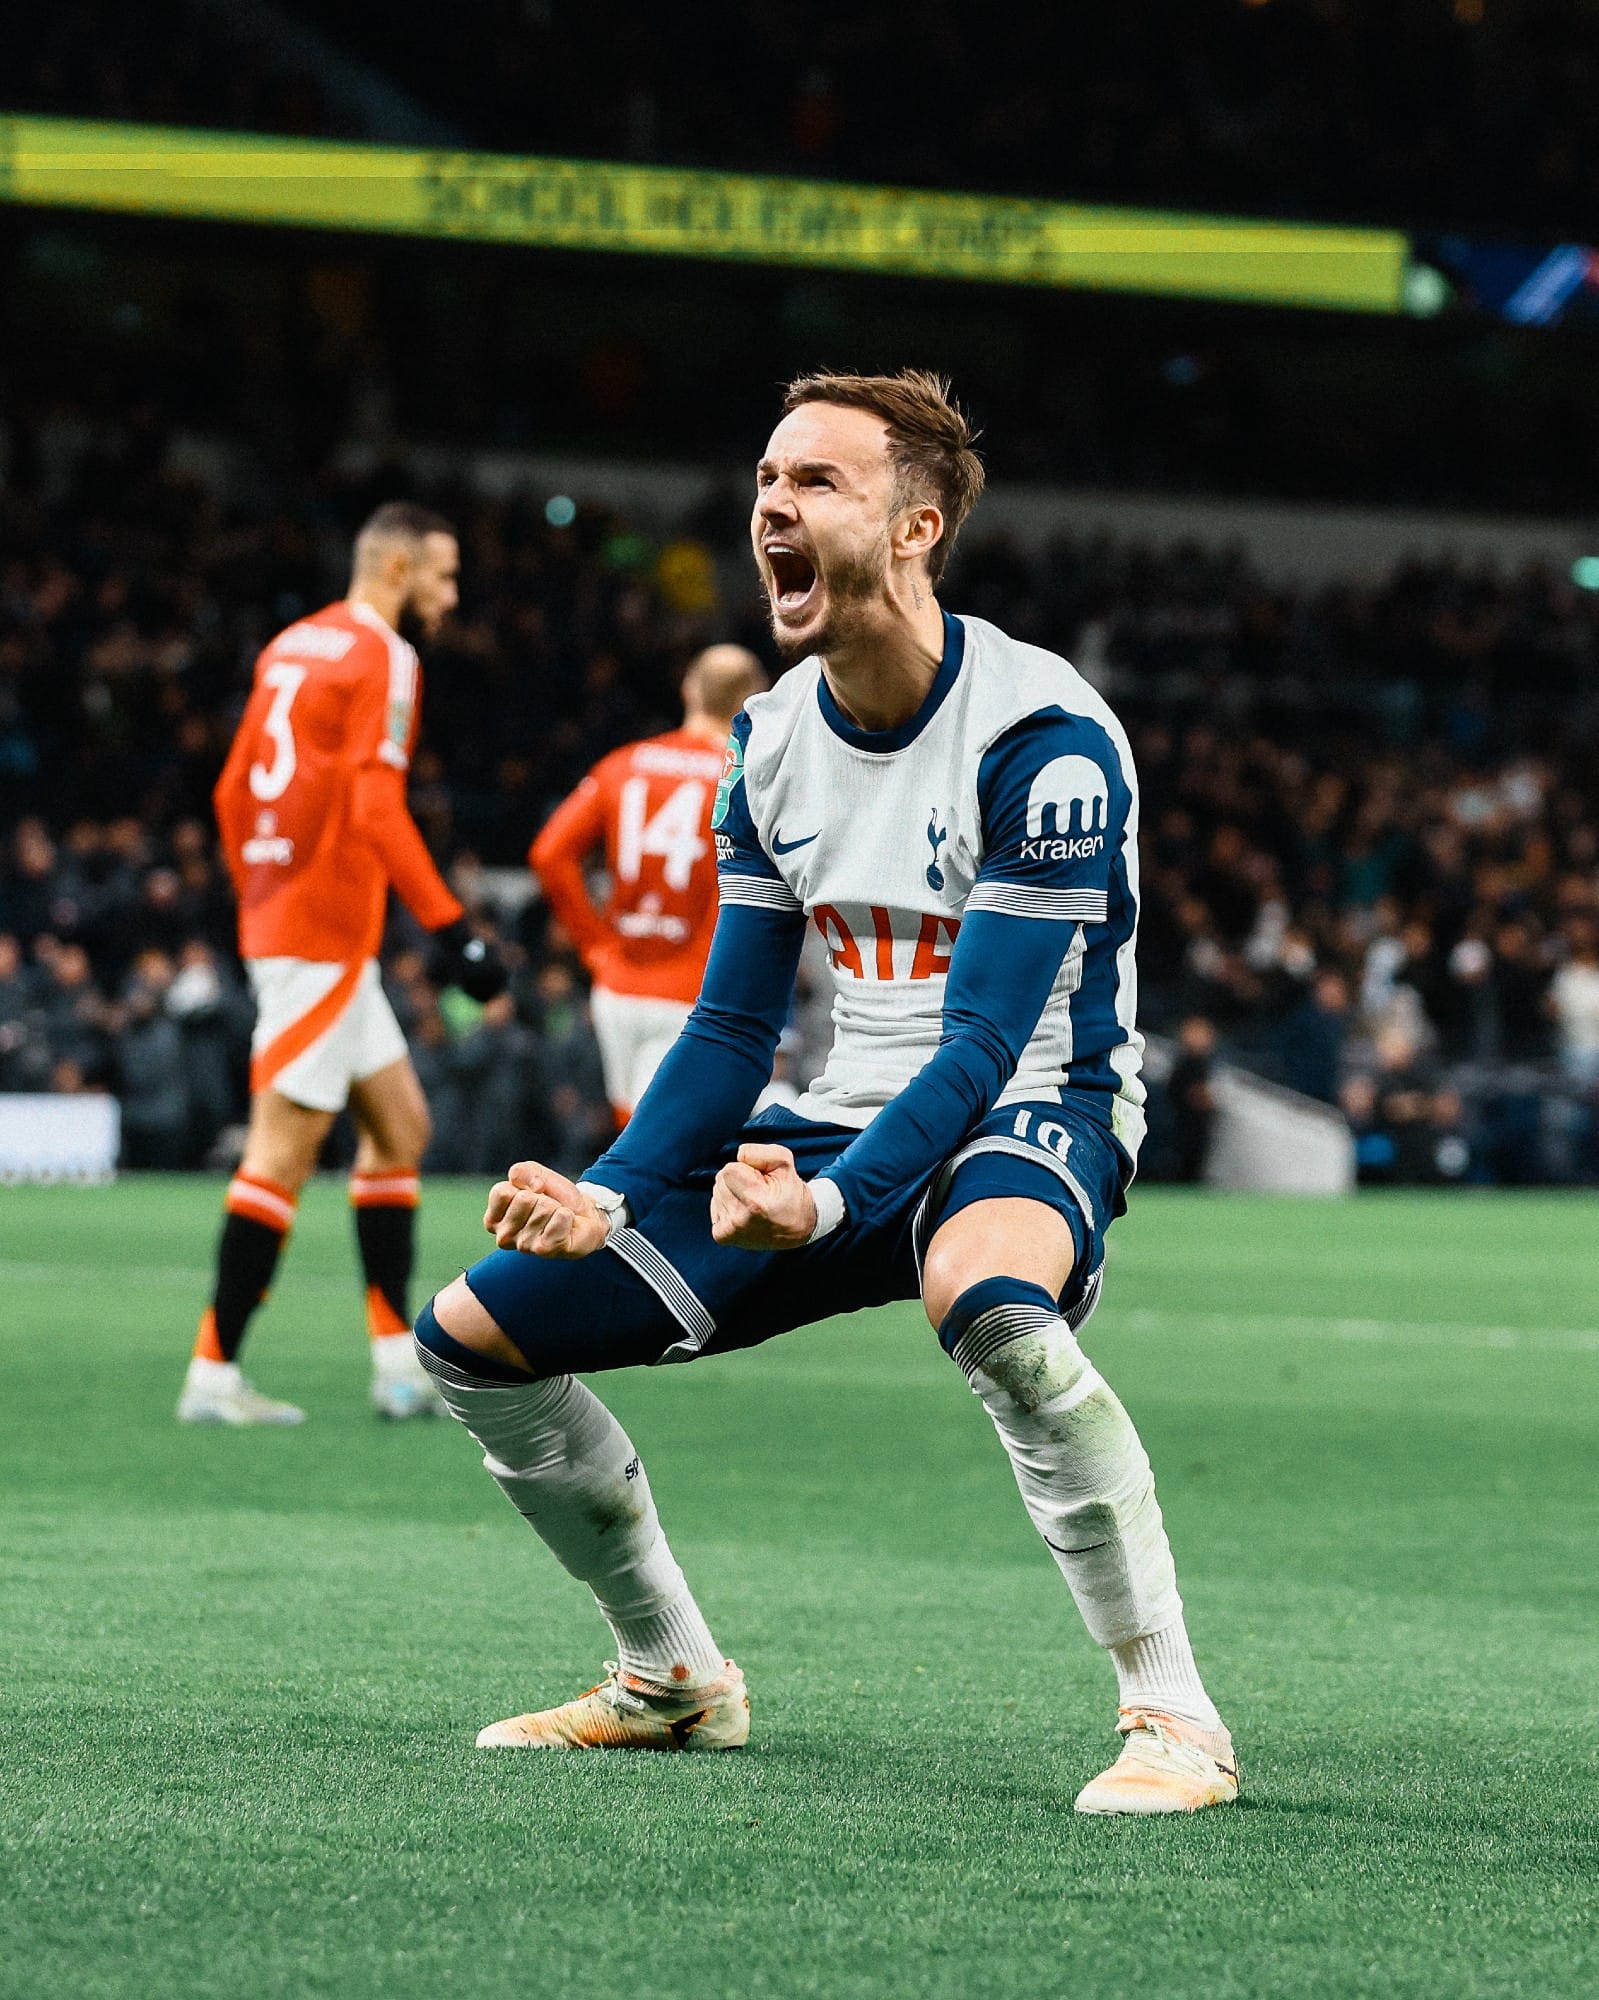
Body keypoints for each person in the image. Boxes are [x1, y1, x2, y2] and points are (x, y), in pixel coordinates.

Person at [413, 373, 1237, 1816]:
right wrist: (608, 1187)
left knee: (989, 1305)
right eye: (764, 481)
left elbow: (981, 1045)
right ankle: (671, 1675)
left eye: (816, 483)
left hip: (1032, 1103)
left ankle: (1171, 1715)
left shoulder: (1038, 738)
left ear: (917, 526)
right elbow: (730, 1025)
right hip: (838, 1113)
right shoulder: (771, 741)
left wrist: (835, 1201)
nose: (771, 507)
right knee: (474, 1337)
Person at [178, 502, 505, 1428]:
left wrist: (260, 888)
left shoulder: (291, 644)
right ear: (397, 569)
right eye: (441, 577)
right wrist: (453, 931)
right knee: (278, 1153)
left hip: (301, 927)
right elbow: (374, 808)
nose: (448, 598)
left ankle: (397, 1368)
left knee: (399, 1127)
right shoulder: (384, 656)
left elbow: (231, 787)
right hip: (319, 937)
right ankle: (211, 1373)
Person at [529, 645, 768, 1122]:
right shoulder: (747, 775)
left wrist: (594, 945)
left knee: (633, 1128)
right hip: (698, 983)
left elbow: (549, 854)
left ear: (688, 690)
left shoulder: (624, 763)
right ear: (754, 701)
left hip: (619, 983)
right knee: (681, 1139)